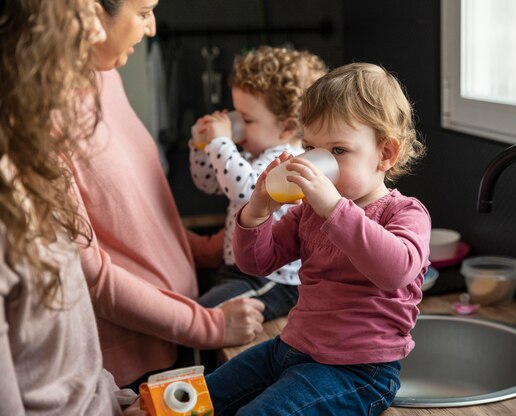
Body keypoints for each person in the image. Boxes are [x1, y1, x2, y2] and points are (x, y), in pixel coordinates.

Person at [204, 63, 431, 415]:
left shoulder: (404, 213)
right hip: (291, 349)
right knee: (200, 398)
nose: (318, 161)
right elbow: (255, 262)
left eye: (338, 151)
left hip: (357, 372)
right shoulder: (309, 212)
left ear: (386, 154)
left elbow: (395, 271)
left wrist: (334, 207)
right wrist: (258, 209)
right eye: (310, 147)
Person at [71, 0, 265, 390]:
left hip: (178, 337)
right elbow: (91, 278)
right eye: (143, 12)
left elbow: (130, 216)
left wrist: (214, 247)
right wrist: (209, 325)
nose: (153, 28)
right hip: (130, 368)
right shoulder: (37, 121)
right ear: (90, 12)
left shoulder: (105, 76)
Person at [0, 0, 142, 414]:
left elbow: (69, 363)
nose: (98, 34)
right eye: (78, 18)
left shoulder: (36, 157)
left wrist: (120, 403)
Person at [189, 46, 327, 320]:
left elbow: (246, 191)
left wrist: (221, 142)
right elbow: (210, 183)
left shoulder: (286, 160)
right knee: (191, 311)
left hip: (273, 279)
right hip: (240, 269)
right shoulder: (256, 153)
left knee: (197, 316)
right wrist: (200, 145)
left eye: (247, 119)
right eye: (236, 115)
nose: (237, 125)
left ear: (287, 127)